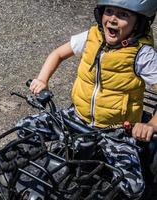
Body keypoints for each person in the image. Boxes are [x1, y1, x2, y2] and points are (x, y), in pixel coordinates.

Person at [21, 0, 157, 199]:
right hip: (76, 117)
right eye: (109, 11)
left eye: (123, 15)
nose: (112, 19)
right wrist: (42, 79)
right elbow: (58, 53)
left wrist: (151, 125)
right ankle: (39, 176)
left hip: (115, 130)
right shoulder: (91, 37)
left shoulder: (142, 55)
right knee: (25, 129)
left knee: (132, 187)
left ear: (139, 23)